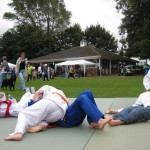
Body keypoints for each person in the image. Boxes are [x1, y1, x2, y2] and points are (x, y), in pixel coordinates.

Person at [4, 88, 111, 141]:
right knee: (83, 99)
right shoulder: (37, 108)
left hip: (68, 112)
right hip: (67, 119)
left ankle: (92, 121)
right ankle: (99, 120)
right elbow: (42, 120)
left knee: (87, 92)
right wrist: (40, 127)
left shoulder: (47, 102)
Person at [4, 85, 68, 141]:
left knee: (24, 113)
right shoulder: (64, 96)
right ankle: (43, 125)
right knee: (42, 117)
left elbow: (38, 93)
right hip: (60, 114)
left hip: (52, 101)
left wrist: (31, 106)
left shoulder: (49, 88)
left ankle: (18, 133)